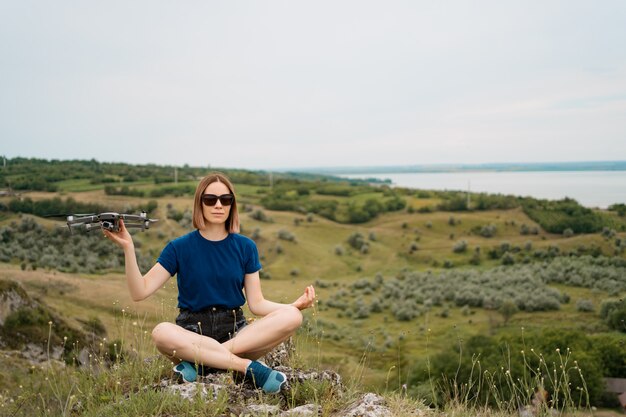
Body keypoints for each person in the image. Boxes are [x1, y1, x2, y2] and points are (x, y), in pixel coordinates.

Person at [104, 172, 316, 393]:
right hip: (192, 332)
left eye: (225, 200)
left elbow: (257, 304)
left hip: (236, 333)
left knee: (293, 316)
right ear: (200, 203)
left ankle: (202, 363)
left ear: (232, 205)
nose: (218, 205)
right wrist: (128, 248)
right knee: (161, 332)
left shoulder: (246, 247)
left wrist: (293, 306)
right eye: (210, 199)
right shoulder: (179, 247)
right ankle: (246, 367)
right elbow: (140, 291)